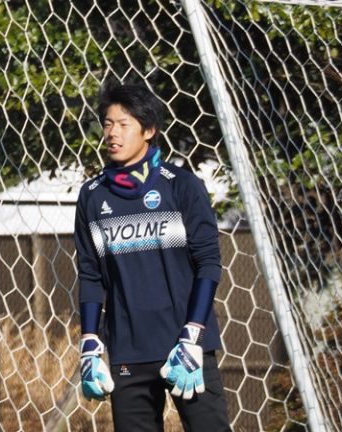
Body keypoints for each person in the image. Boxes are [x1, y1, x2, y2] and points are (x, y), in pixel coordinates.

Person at [74, 82, 231, 431]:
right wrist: (89, 343)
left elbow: (208, 263)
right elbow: (90, 274)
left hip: (185, 349)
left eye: (123, 124)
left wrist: (193, 335)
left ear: (148, 130)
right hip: (128, 351)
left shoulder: (182, 185)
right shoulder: (92, 196)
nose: (112, 133)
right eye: (107, 124)